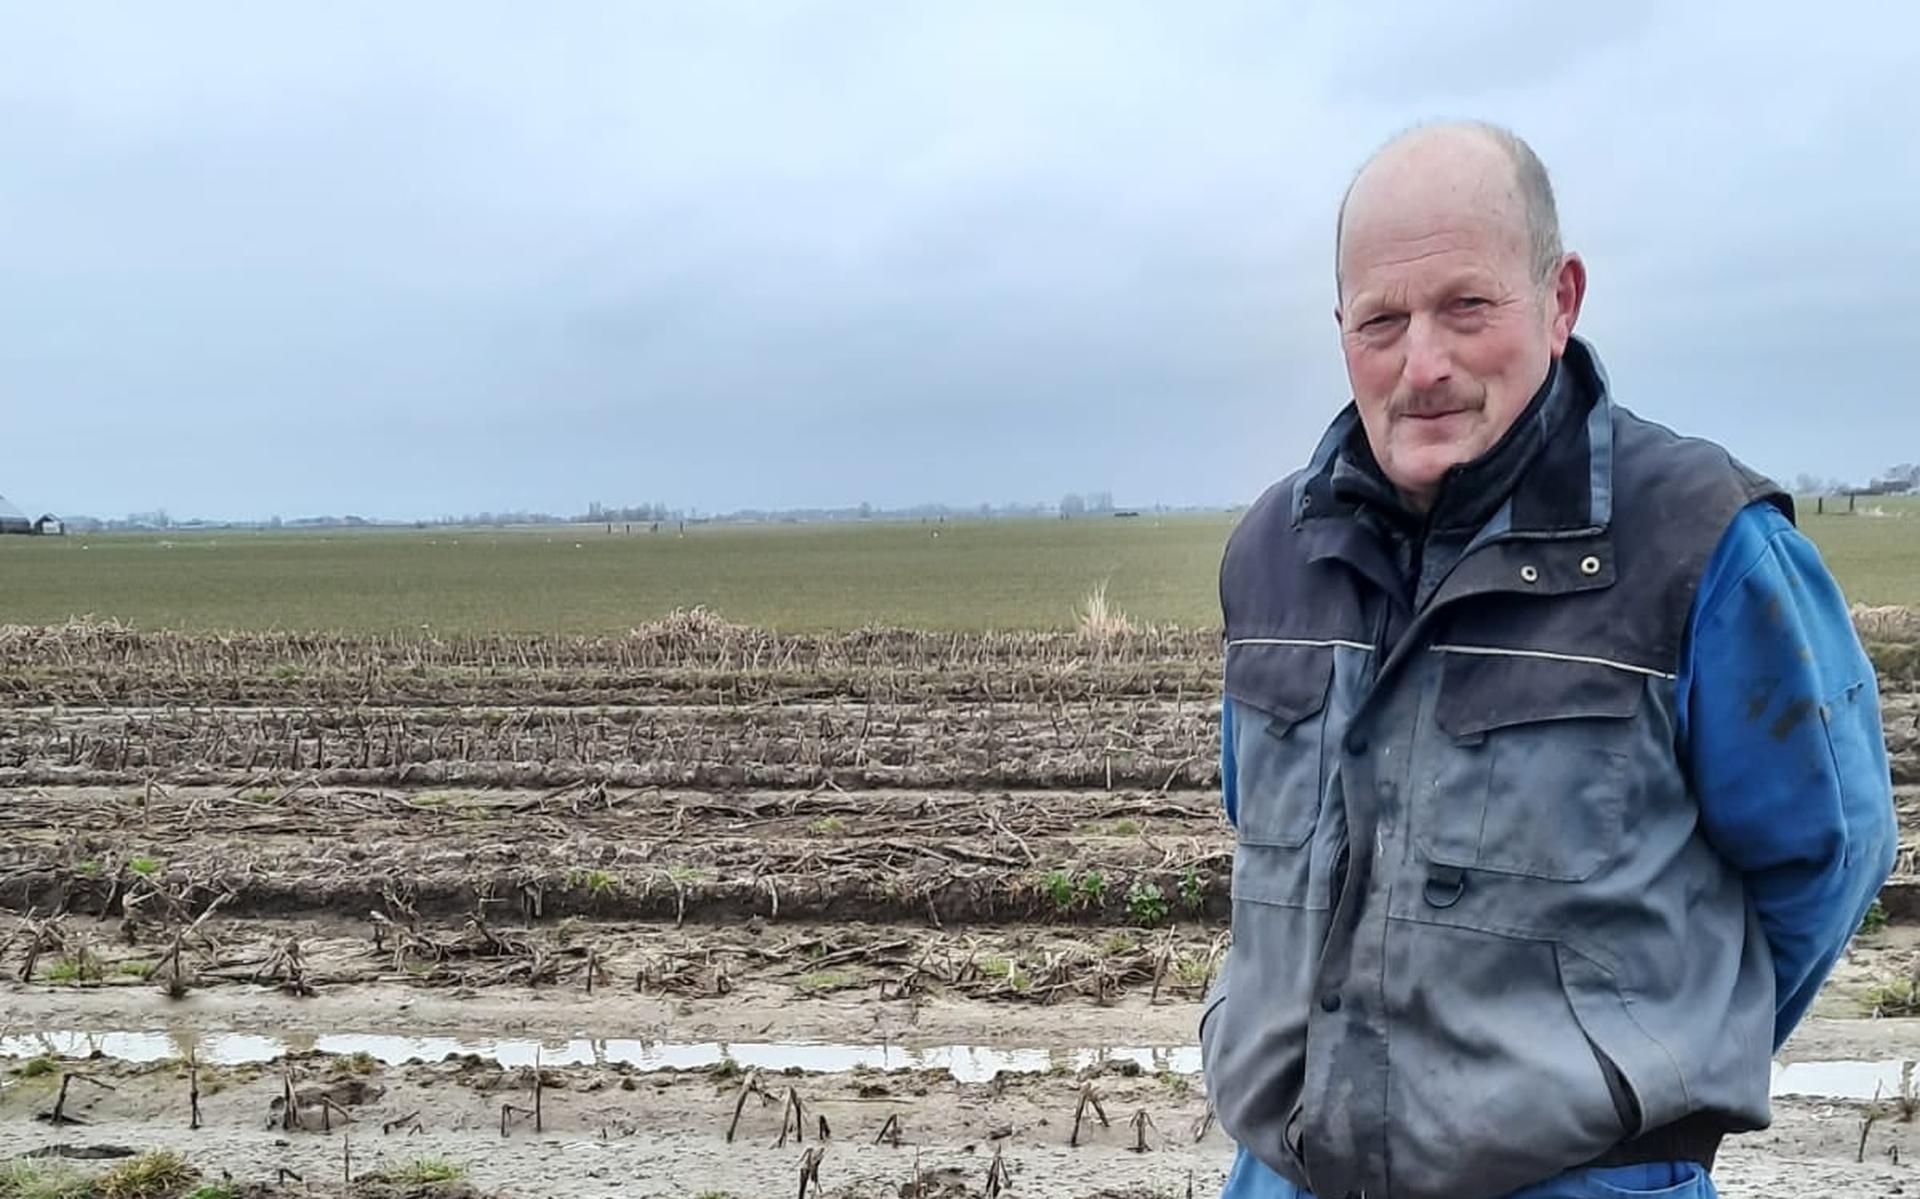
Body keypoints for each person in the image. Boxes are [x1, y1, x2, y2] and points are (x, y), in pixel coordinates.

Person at [1203, 121, 1895, 1199]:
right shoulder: (1271, 554)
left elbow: (1831, 853)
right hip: (1285, 1175)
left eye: (1467, 307)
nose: (1422, 364)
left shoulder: (1704, 544)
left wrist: (1640, 1055)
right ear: (1342, 326)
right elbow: (1266, 837)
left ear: (1560, 298)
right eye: (1382, 320)